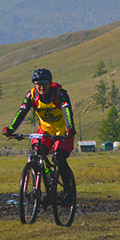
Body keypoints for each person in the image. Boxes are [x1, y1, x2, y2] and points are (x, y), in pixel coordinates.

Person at [2, 68, 76, 205]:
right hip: (44, 132)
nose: (41, 86)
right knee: (37, 154)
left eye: (44, 83)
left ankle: (68, 192)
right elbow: (22, 112)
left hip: (63, 132)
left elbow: (67, 111)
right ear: (34, 84)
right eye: (37, 83)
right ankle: (46, 185)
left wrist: (70, 128)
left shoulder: (60, 94)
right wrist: (11, 128)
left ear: (50, 82)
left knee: (59, 158)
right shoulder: (31, 95)